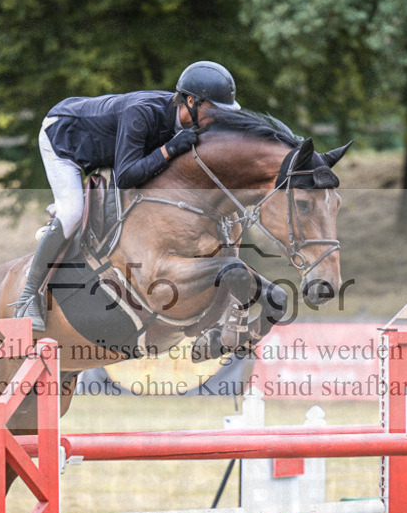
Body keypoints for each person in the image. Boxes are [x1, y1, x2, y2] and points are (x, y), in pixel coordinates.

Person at [13, 60, 242, 330]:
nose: (219, 119)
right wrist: (169, 149)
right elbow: (125, 178)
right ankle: (27, 296)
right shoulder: (141, 113)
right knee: (72, 212)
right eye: (214, 111)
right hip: (64, 140)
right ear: (191, 102)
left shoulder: (186, 123)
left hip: (108, 150)